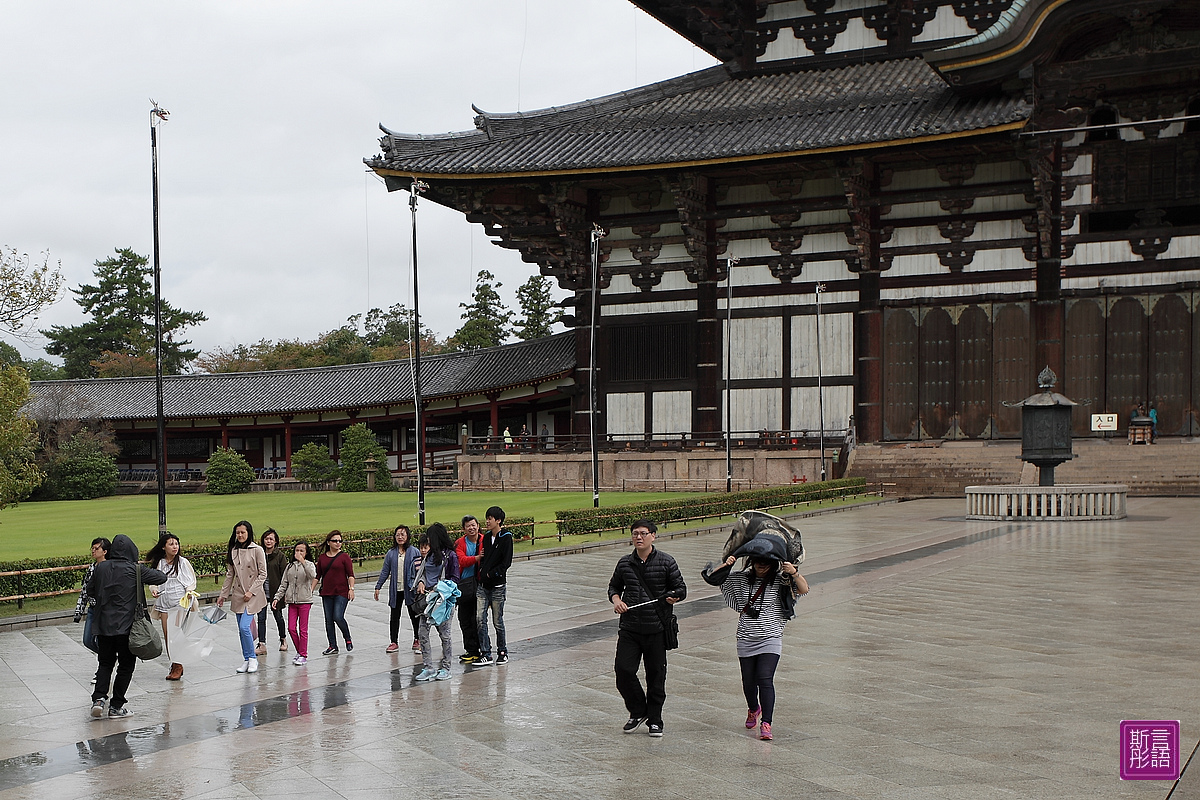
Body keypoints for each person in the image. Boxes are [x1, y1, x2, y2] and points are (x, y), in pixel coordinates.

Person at [710, 553, 809, 741]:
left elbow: (803, 589)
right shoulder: (740, 578)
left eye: (766, 563)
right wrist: (726, 565)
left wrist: (794, 573)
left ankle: (767, 722)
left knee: (765, 678)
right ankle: (754, 708)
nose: (761, 566)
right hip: (746, 637)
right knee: (748, 682)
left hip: (771, 638)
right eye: (758, 562)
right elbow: (714, 579)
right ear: (751, 561)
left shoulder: (782, 580)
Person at [607, 518, 686, 738]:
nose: (638, 537)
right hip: (630, 628)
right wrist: (616, 601)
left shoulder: (666, 561)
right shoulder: (624, 563)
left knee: (656, 675)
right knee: (623, 671)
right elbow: (614, 587)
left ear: (653, 535)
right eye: (635, 534)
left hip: (657, 628)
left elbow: (681, 588)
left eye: (643, 533)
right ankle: (638, 710)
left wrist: (674, 597)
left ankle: (655, 719)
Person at [87, 534, 168, 718]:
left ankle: (99, 699)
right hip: (127, 627)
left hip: (104, 626)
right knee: (125, 666)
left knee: (105, 663)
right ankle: (116, 706)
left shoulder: (101, 568)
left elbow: (90, 590)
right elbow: (161, 577)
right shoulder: (136, 569)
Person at [216, 520, 268, 674]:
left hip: (252, 594)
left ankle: (252, 658)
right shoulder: (233, 550)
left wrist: (251, 591)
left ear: (248, 533)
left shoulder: (257, 550)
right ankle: (246, 658)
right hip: (239, 594)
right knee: (241, 629)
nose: (240, 535)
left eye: (243, 532)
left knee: (245, 627)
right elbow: (230, 574)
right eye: (237, 532)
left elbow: (263, 574)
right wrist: (223, 595)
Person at [145, 533, 196, 681]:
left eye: (176, 544)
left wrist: (188, 594)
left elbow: (190, 581)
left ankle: (178, 665)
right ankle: (174, 663)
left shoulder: (182, 562)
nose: (175, 547)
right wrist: (154, 589)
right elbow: (153, 580)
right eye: (171, 544)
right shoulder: (159, 563)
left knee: (175, 634)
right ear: (163, 547)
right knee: (168, 636)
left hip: (179, 602)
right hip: (164, 601)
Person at [413, 523, 460, 681]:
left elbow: (454, 579)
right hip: (427, 601)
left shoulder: (450, 556)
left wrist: (439, 589)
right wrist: (421, 582)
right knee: (423, 634)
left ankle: (446, 668)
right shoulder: (429, 555)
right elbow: (423, 573)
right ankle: (428, 667)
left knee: (444, 635)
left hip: (442, 602)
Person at [475, 505, 513, 666]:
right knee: (480, 618)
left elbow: (506, 562)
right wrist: (483, 572)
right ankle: (486, 652)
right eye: (487, 518)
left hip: (497, 586)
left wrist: (492, 574)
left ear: (498, 520)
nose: (487, 521)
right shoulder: (486, 538)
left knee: (497, 620)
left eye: (490, 518)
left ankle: (502, 651)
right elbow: (484, 558)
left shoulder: (506, 537)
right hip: (483, 586)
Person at [375, 525, 420, 653]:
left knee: (414, 614)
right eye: (398, 535)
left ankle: (417, 638)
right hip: (396, 589)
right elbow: (385, 571)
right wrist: (378, 586)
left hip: (410, 589)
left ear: (408, 536)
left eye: (403, 534)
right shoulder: (391, 553)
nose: (400, 537)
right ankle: (394, 641)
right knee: (394, 616)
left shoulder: (414, 551)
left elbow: (419, 570)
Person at [272, 542, 317, 666]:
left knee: (303, 630)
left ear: (306, 552)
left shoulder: (309, 565)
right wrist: (277, 598)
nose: (299, 553)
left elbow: (312, 575)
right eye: (297, 550)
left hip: (304, 601)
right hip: (292, 601)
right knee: (291, 628)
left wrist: (303, 561)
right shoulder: (290, 566)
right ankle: (300, 651)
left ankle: (303, 654)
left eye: (302, 551)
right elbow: (284, 583)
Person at [316, 529, 355, 655]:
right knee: (328, 620)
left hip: (341, 592)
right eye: (335, 541)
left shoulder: (344, 556)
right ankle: (332, 645)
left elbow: (350, 574)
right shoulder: (322, 558)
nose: (338, 543)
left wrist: (351, 589)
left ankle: (347, 638)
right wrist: (310, 590)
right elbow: (317, 576)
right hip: (327, 592)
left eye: (340, 541)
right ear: (328, 542)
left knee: (338, 616)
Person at [75, 537, 110, 659]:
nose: (93, 551)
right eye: (92, 548)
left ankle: (103, 667)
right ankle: (108, 658)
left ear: (105, 551)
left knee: (102, 641)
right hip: (93, 610)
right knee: (88, 640)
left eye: (96, 548)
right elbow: (85, 590)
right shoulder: (92, 567)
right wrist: (79, 611)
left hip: (105, 611)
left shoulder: (110, 568)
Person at [454, 515, 482, 663]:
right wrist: (477, 558)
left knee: (478, 619)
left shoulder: (484, 540)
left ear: (478, 525)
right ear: (464, 529)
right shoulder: (460, 543)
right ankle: (471, 650)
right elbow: (461, 560)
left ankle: (482, 648)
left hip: (480, 585)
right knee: (464, 619)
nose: (471, 528)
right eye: (468, 526)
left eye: (473, 525)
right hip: (464, 586)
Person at [257, 529, 288, 654]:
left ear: (275, 541)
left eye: (271, 539)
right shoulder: (259, 555)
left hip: (276, 591)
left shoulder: (280, 556)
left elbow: (285, 576)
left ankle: (283, 639)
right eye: (266, 538)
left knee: (278, 617)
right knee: (261, 618)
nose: (268, 541)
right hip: (261, 592)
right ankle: (262, 643)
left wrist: (284, 593)